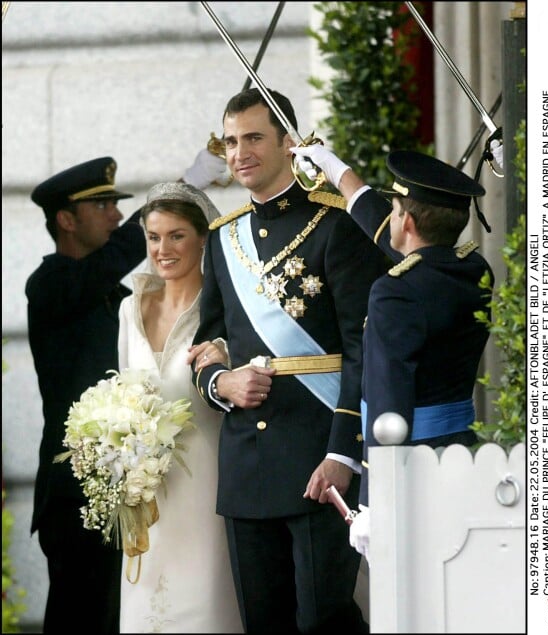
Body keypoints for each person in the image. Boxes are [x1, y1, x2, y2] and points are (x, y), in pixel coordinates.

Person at [189, 87, 385, 634]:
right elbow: (208, 345)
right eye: (230, 141)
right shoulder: (221, 239)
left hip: (318, 456)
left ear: (288, 143)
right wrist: (220, 383)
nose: (239, 152)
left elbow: (363, 350)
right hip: (246, 464)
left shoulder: (336, 225)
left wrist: (344, 454)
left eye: (253, 137)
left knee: (325, 618)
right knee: (264, 621)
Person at [26, 151, 228, 633]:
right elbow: (118, 257)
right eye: (103, 207)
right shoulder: (50, 283)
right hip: (79, 489)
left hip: (141, 483)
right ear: (66, 220)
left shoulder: (122, 300)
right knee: (78, 614)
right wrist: (183, 186)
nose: (117, 215)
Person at [291, 144, 495, 562]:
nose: (392, 218)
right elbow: (406, 246)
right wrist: (337, 172)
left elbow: (388, 402)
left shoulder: (395, 292)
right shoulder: (473, 271)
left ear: (409, 221)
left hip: (409, 473)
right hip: (460, 452)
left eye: (397, 209)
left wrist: (374, 503)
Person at [117, 181, 243, 633]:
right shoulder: (129, 309)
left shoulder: (227, 309)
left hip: (207, 485)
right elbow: (122, 397)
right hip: (146, 495)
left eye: (176, 236)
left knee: (206, 604)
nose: (163, 249)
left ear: (203, 238)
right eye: (153, 237)